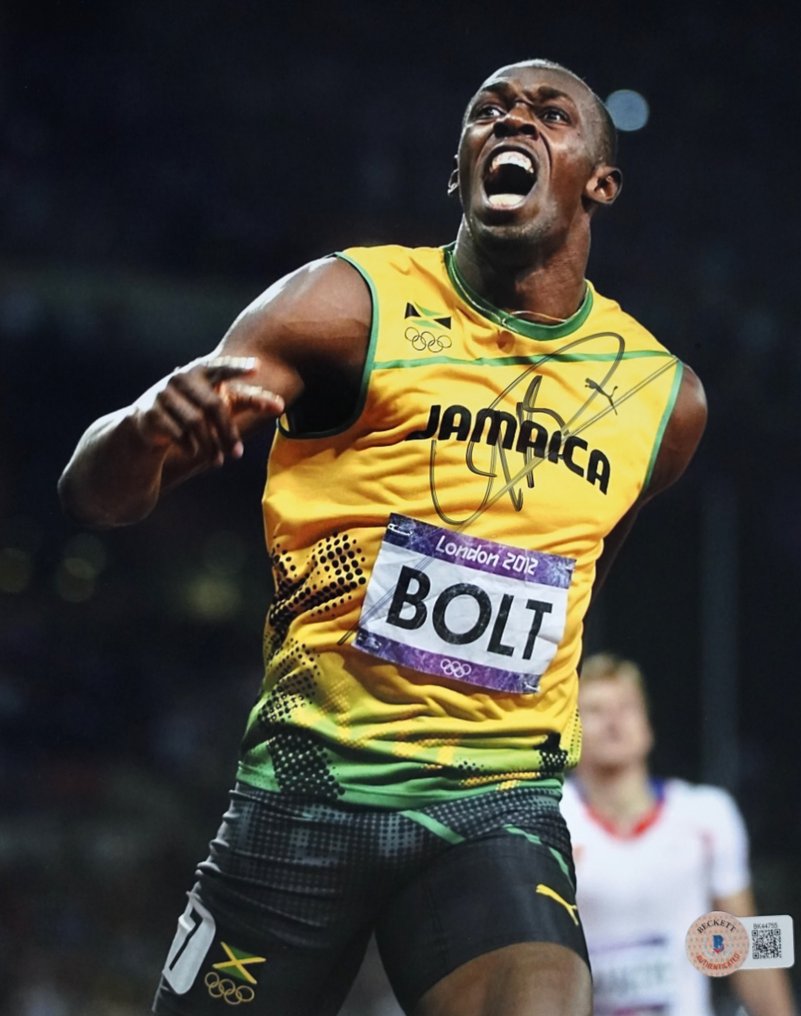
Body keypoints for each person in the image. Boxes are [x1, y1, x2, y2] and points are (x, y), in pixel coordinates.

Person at [58, 58, 707, 1016]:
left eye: (549, 114)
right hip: (305, 791)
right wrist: (147, 430)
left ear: (599, 183)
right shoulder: (346, 303)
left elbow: (582, 575)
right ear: (459, 167)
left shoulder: (662, 400)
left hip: (493, 804)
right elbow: (96, 495)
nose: (513, 121)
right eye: (489, 111)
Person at [561, 652, 796, 1016]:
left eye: (627, 707)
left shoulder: (708, 812)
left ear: (648, 725)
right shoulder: (554, 819)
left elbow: (750, 941)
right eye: (596, 710)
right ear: (571, 730)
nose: (614, 722)